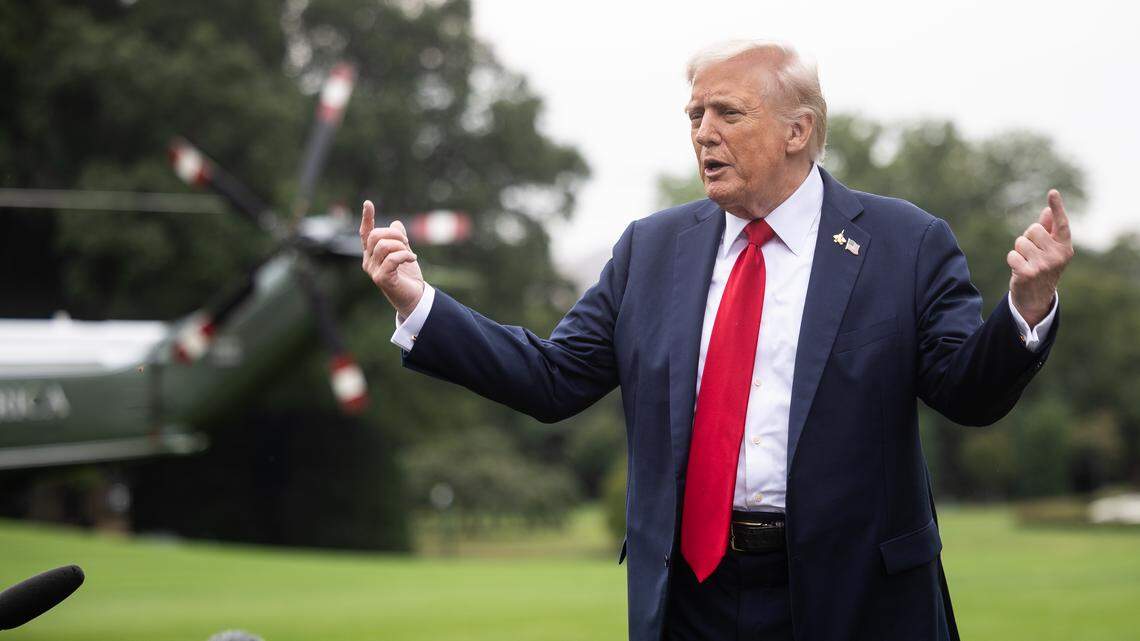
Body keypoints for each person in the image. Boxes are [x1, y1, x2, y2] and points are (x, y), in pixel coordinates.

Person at [358, 40, 1072, 641]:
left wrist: (1026, 307)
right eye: (696, 113)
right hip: (690, 596)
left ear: (799, 129)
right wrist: (418, 302)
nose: (704, 131)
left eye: (728, 112)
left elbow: (967, 392)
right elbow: (552, 378)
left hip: (852, 596)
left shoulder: (905, 243)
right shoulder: (651, 248)